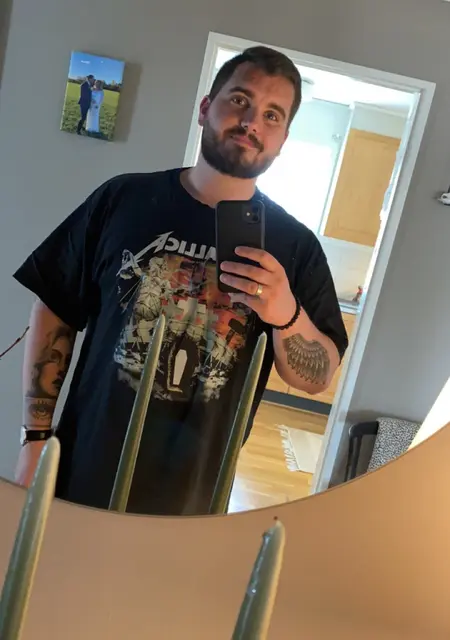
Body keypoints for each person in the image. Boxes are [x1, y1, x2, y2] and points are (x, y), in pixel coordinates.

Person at [13, 46, 348, 515]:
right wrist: (34, 439)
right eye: (240, 100)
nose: (251, 122)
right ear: (206, 108)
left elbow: (318, 376)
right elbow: (55, 310)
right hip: (81, 474)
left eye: (272, 115)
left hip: (194, 500)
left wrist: (286, 315)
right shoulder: (123, 198)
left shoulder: (296, 247)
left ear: (283, 139)